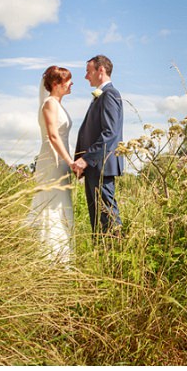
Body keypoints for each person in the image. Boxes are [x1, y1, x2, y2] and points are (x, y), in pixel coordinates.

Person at [27, 65, 76, 263]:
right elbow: (53, 136)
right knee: (52, 204)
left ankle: (62, 255)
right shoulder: (49, 104)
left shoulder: (58, 104)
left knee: (62, 203)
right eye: (68, 80)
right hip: (52, 160)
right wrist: (70, 161)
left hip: (61, 161)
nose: (72, 83)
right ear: (56, 84)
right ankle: (50, 255)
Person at [72, 55, 124, 238]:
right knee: (97, 218)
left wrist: (85, 160)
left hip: (102, 166)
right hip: (95, 166)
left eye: (88, 71)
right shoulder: (102, 95)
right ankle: (102, 258)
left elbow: (109, 133)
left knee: (108, 216)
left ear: (100, 70)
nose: (86, 76)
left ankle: (117, 257)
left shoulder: (110, 94)